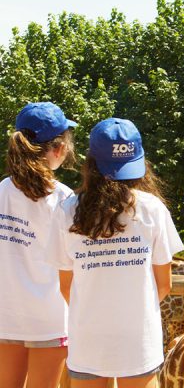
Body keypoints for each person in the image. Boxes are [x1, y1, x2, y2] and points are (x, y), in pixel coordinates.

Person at [48, 118, 184, 388]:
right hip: (138, 341)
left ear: (91, 163)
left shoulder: (66, 210)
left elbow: (65, 287)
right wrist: (131, 309)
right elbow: (164, 284)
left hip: (88, 339)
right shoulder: (152, 208)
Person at [0, 102, 77, 388]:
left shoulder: (1, 192)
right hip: (50, 317)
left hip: (5, 313)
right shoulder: (66, 200)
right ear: (59, 149)